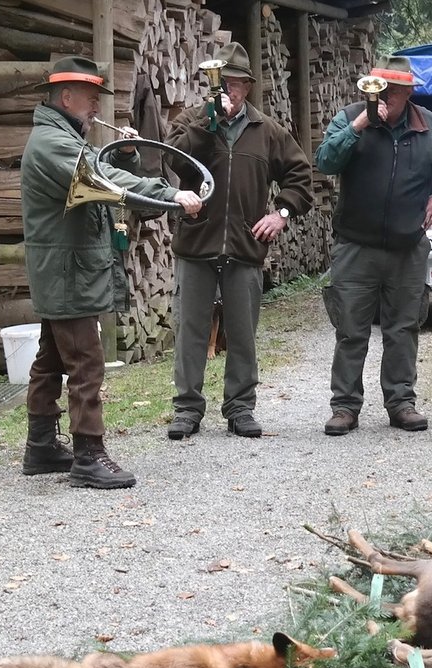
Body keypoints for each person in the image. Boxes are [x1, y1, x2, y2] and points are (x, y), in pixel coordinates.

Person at [19, 56, 203, 488]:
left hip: (65, 270)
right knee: (86, 363)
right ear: (65, 97)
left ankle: (41, 446)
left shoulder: (62, 137)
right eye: (89, 99)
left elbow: (108, 181)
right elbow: (105, 182)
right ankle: (88, 456)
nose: (97, 109)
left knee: (49, 360)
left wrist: (128, 156)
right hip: (68, 273)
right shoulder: (53, 144)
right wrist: (173, 194)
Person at [163, 43, 314, 440]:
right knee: (190, 330)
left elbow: (301, 178)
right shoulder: (190, 121)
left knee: (243, 333)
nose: (229, 90)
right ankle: (187, 409)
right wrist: (206, 126)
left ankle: (241, 407)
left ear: (247, 87)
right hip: (196, 243)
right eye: (222, 82)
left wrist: (279, 214)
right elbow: (174, 161)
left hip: (245, 247)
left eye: (236, 83)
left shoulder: (268, 131)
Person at [315, 55, 432, 435]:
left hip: (407, 246)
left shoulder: (427, 124)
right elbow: (325, 161)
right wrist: (360, 124)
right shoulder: (352, 116)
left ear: (406, 94)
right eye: (378, 90)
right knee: (351, 329)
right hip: (355, 245)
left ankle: (401, 402)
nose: (384, 98)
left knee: (403, 328)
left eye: (393, 92)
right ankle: (345, 407)